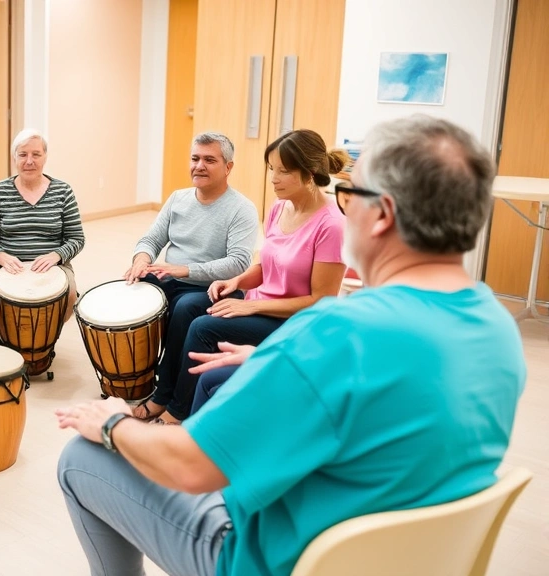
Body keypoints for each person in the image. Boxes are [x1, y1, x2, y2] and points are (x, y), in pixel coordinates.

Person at [55, 116, 525, 576]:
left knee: (83, 457)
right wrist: (268, 359)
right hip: (395, 559)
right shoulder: (498, 328)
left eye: (349, 194)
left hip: (274, 559)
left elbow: (189, 468)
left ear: (380, 214)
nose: (341, 208)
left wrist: (112, 421)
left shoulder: (336, 334)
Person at [135, 129, 348, 423]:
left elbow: (321, 301)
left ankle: (178, 412)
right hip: (262, 307)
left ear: (309, 173)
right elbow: (265, 267)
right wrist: (236, 282)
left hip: (294, 322)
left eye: (283, 172)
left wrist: (251, 305)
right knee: (189, 311)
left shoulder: (332, 225)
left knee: (203, 327)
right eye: (271, 169)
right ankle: (166, 394)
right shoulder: (279, 208)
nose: (272, 178)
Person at [122, 131, 258, 319]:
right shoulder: (178, 198)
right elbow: (151, 240)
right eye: (195, 159)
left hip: (210, 288)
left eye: (209, 160)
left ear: (228, 167)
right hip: (170, 278)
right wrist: (141, 261)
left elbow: (238, 263)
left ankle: (173, 351)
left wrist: (186, 270)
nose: (199, 166)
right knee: (131, 288)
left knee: (184, 306)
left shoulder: (243, 208)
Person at [0, 129, 85, 325]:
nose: (29, 161)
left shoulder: (63, 191)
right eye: (23, 154)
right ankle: (7, 335)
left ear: (45, 157)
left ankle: (47, 339)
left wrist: (57, 255)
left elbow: (76, 238)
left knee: (70, 293)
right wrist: (0, 256)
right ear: (13, 158)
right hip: (7, 263)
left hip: (52, 263)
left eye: (36, 154)